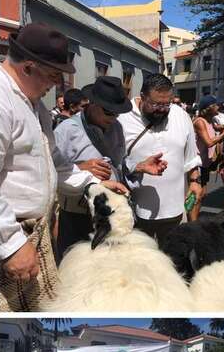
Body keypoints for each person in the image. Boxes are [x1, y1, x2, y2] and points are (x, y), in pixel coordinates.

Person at [0, 22, 128, 312]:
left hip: (32, 234)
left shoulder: (34, 106)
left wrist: (93, 183)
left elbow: (55, 163)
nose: (57, 83)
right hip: (9, 237)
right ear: (29, 67)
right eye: (54, 74)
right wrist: (10, 245)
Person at [52, 76, 167, 262]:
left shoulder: (116, 128)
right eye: (108, 112)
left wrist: (138, 166)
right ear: (92, 104)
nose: (113, 118)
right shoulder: (66, 131)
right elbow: (50, 170)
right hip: (76, 216)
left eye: (117, 113)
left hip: (111, 215)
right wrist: (80, 167)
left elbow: (119, 164)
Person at [117, 74, 202, 241]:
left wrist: (194, 181)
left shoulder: (181, 116)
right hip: (135, 213)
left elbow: (191, 156)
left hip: (175, 211)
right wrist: (138, 166)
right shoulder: (122, 119)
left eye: (166, 104)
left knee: (172, 260)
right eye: (155, 104)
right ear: (142, 97)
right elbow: (114, 162)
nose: (162, 109)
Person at [190, 95, 224, 221]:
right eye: (215, 105)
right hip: (197, 164)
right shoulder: (199, 122)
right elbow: (209, 142)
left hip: (204, 164)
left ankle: (194, 220)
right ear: (208, 108)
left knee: (203, 195)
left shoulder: (210, 122)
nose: (218, 107)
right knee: (196, 196)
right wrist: (223, 134)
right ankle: (192, 224)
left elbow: (216, 129)